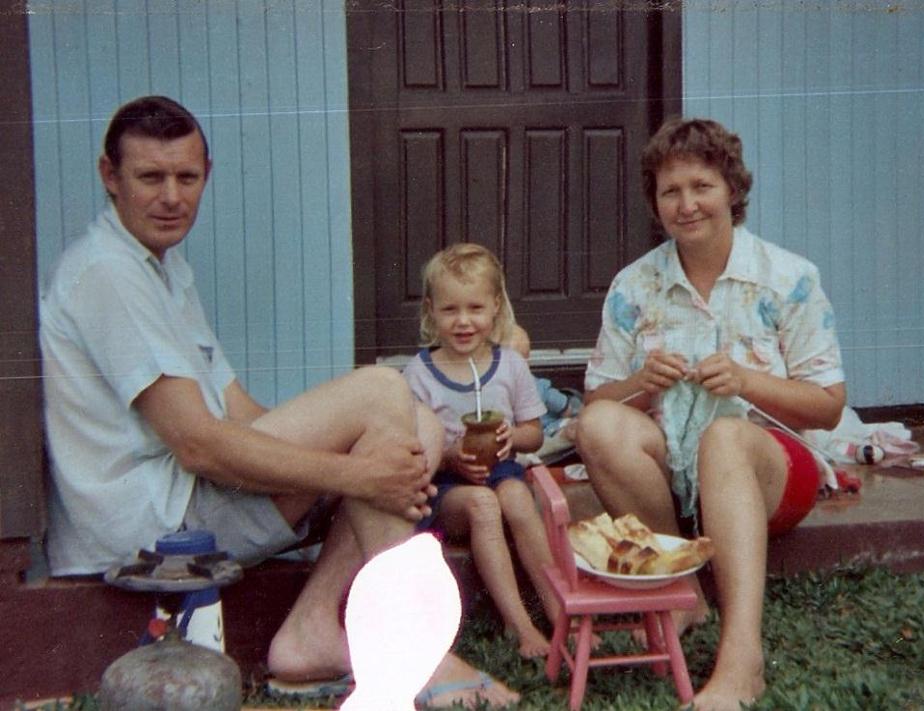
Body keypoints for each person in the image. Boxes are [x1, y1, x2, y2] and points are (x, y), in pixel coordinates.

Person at [39, 95, 518, 709]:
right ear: (110, 176)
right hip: (151, 529)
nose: (171, 197)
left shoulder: (159, 268)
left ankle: (311, 631)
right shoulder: (106, 274)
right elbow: (198, 444)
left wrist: (361, 458)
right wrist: (352, 472)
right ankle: (420, 656)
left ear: (206, 174)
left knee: (417, 426)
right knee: (380, 393)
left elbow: (238, 411)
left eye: (186, 178)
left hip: (184, 500)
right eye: (149, 177)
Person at [574, 116, 845, 711]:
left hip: (772, 473)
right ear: (655, 202)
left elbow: (828, 406)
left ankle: (742, 658)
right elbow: (596, 401)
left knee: (725, 434)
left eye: (702, 186)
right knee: (598, 425)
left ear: (732, 191)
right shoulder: (634, 285)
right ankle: (684, 592)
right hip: (674, 476)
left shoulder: (788, 278)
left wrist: (748, 380)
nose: (687, 204)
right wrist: (639, 383)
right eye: (670, 191)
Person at [403, 243, 559, 658]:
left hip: (501, 469)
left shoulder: (510, 365)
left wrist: (513, 438)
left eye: (475, 308)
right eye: (450, 310)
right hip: (447, 487)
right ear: (431, 311)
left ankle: (561, 613)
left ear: (495, 309)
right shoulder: (419, 373)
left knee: (516, 499)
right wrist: (451, 455)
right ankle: (520, 625)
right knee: (484, 505)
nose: (464, 321)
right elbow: (412, 450)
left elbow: (534, 433)